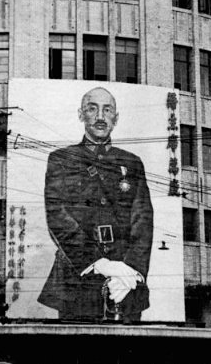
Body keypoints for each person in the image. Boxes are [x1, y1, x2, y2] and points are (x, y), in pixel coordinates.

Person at [39, 87, 154, 322]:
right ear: (81, 115)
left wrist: (131, 272)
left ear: (116, 118)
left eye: (107, 109)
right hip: (76, 277)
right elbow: (56, 215)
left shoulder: (131, 163)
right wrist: (97, 262)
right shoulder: (61, 159)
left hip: (126, 280)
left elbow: (143, 219)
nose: (100, 117)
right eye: (92, 109)